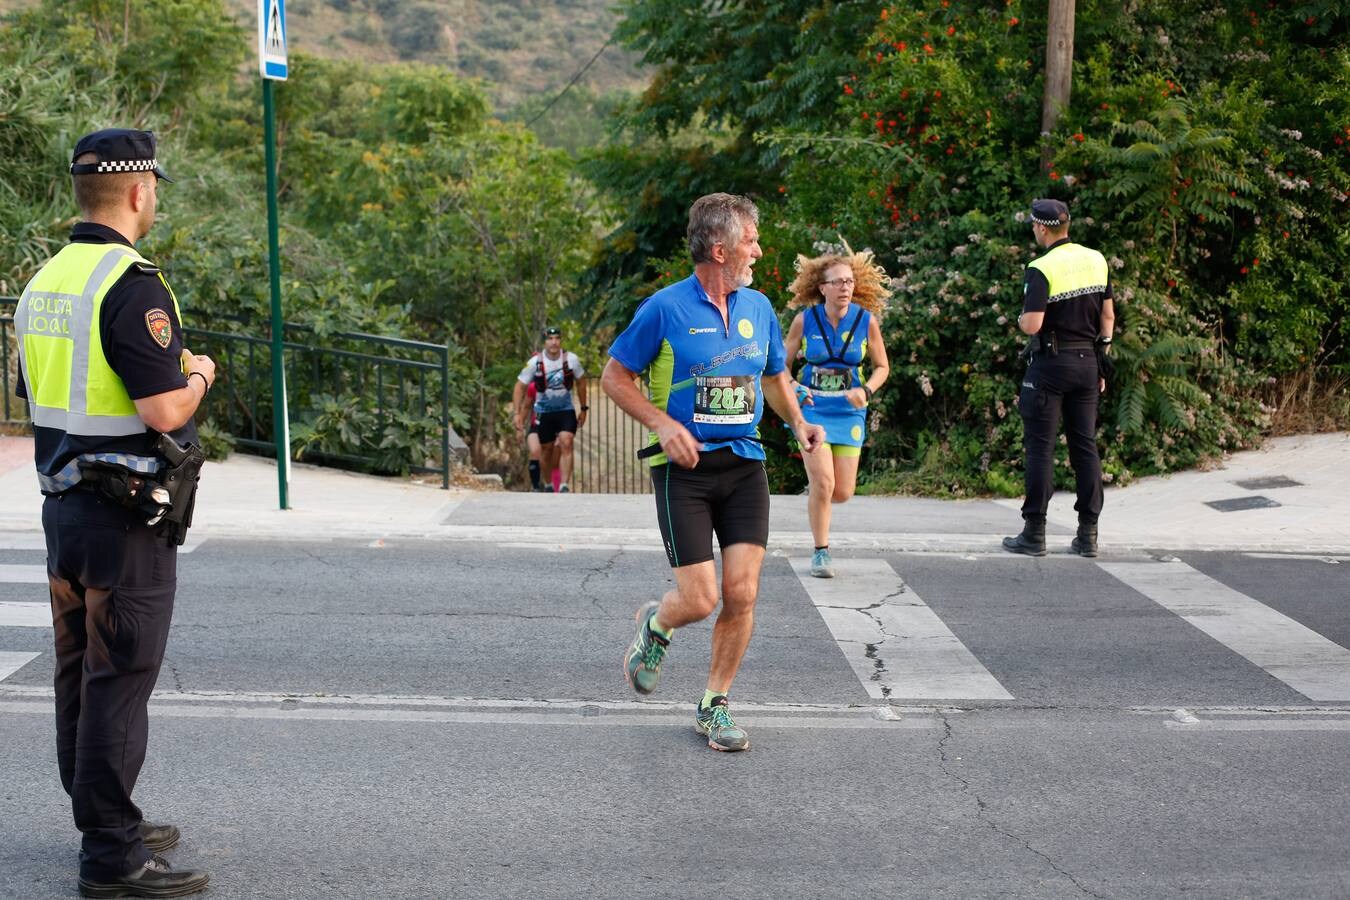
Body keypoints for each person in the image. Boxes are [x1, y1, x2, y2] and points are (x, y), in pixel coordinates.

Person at [13, 129, 213, 898]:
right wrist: (198, 374)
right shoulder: (132, 284)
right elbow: (162, 408)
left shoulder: (45, 282)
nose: (155, 196)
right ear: (138, 191)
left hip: (63, 508)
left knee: (80, 674)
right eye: (155, 185)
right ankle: (112, 856)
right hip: (125, 518)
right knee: (119, 678)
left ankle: (100, 815)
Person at [602, 192, 824, 752]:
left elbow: (775, 378)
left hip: (744, 464)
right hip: (687, 469)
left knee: (742, 592)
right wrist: (661, 424)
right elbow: (614, 377)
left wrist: (798, 422)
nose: (759, 249)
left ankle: (714, 704)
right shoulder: (664, 308)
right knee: (700, 600)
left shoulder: (759, 309)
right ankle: (657, 624)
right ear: (721, 250)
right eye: (751, 239)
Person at [1002, 198, 1115, 557]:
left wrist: (1019, 321)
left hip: (1050, 364)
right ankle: (1088, 535)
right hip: (1087, 363)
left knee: (1041, 448)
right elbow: (1108, 319)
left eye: (1034, 227)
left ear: (1042, 227)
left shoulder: (1041, 266)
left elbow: (1032, 323)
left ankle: (1034, 533)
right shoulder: (1097, 259)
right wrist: (1101, 362)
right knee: (1085, 446)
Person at [783, 247, 891, 578]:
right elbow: (781, 368)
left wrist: (866, 390)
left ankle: (818, 491)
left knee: (842, 491)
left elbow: (882, 367)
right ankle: (821, 552)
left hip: (849, 413)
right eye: (838, 282)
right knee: (825, 483)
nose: (845, 287)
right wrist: (795, 387)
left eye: (849, 281)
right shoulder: (804, 320)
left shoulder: (866, 321)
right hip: (812, 412)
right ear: (822, 287)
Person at [514, 326, 587, 493]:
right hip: (544, 412)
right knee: (545, 450)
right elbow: (519, 387)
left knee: (566, 441)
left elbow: (582, 382)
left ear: (560, 340)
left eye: (557, 339)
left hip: (565, 410)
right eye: (550, 339)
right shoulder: (535, 363)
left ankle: (564, 485)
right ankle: (547, 483)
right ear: (545, 342)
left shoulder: (571, 360)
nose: (554, 342)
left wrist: (583, 408)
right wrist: (517, 413)